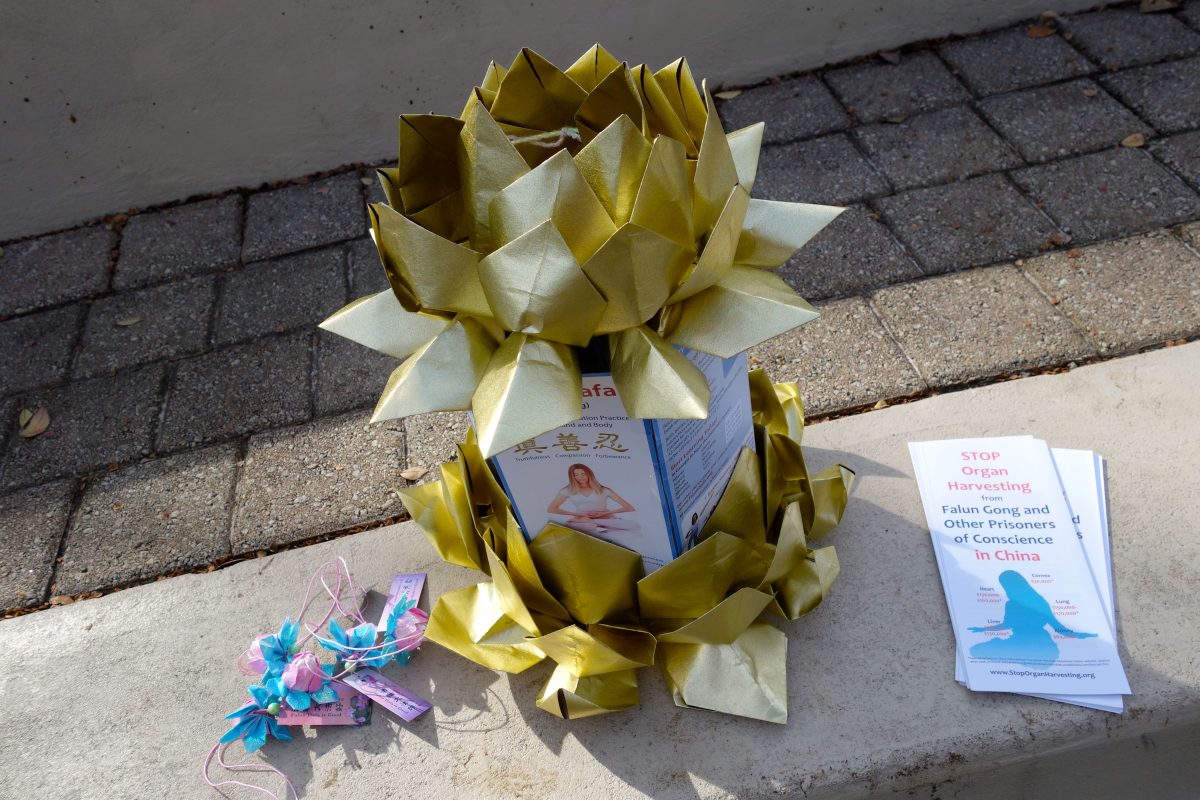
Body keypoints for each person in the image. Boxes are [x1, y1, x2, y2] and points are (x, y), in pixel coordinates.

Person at [968, 569, 1097, 668]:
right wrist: (1082, 635)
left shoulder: (1012, 604)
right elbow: (1058, 629)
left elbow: (1006, 626)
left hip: (1021, 642)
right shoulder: (1040, 602)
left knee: (976, 652)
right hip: (1044, 645)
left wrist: (982, 629)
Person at [547, 464, 640, 536]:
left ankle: (597, 524)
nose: (580, 477)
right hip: (581, 518)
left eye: (583, 474)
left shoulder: (603, 490)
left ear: (589, 474)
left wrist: (603, 514)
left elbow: (629, 507)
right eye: (576, 475)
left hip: (605, 517)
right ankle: (600, 527)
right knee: (586, 526)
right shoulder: (568, 490)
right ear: (572, 477)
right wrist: (578, 515)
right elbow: (552, 509)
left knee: (634, 525)